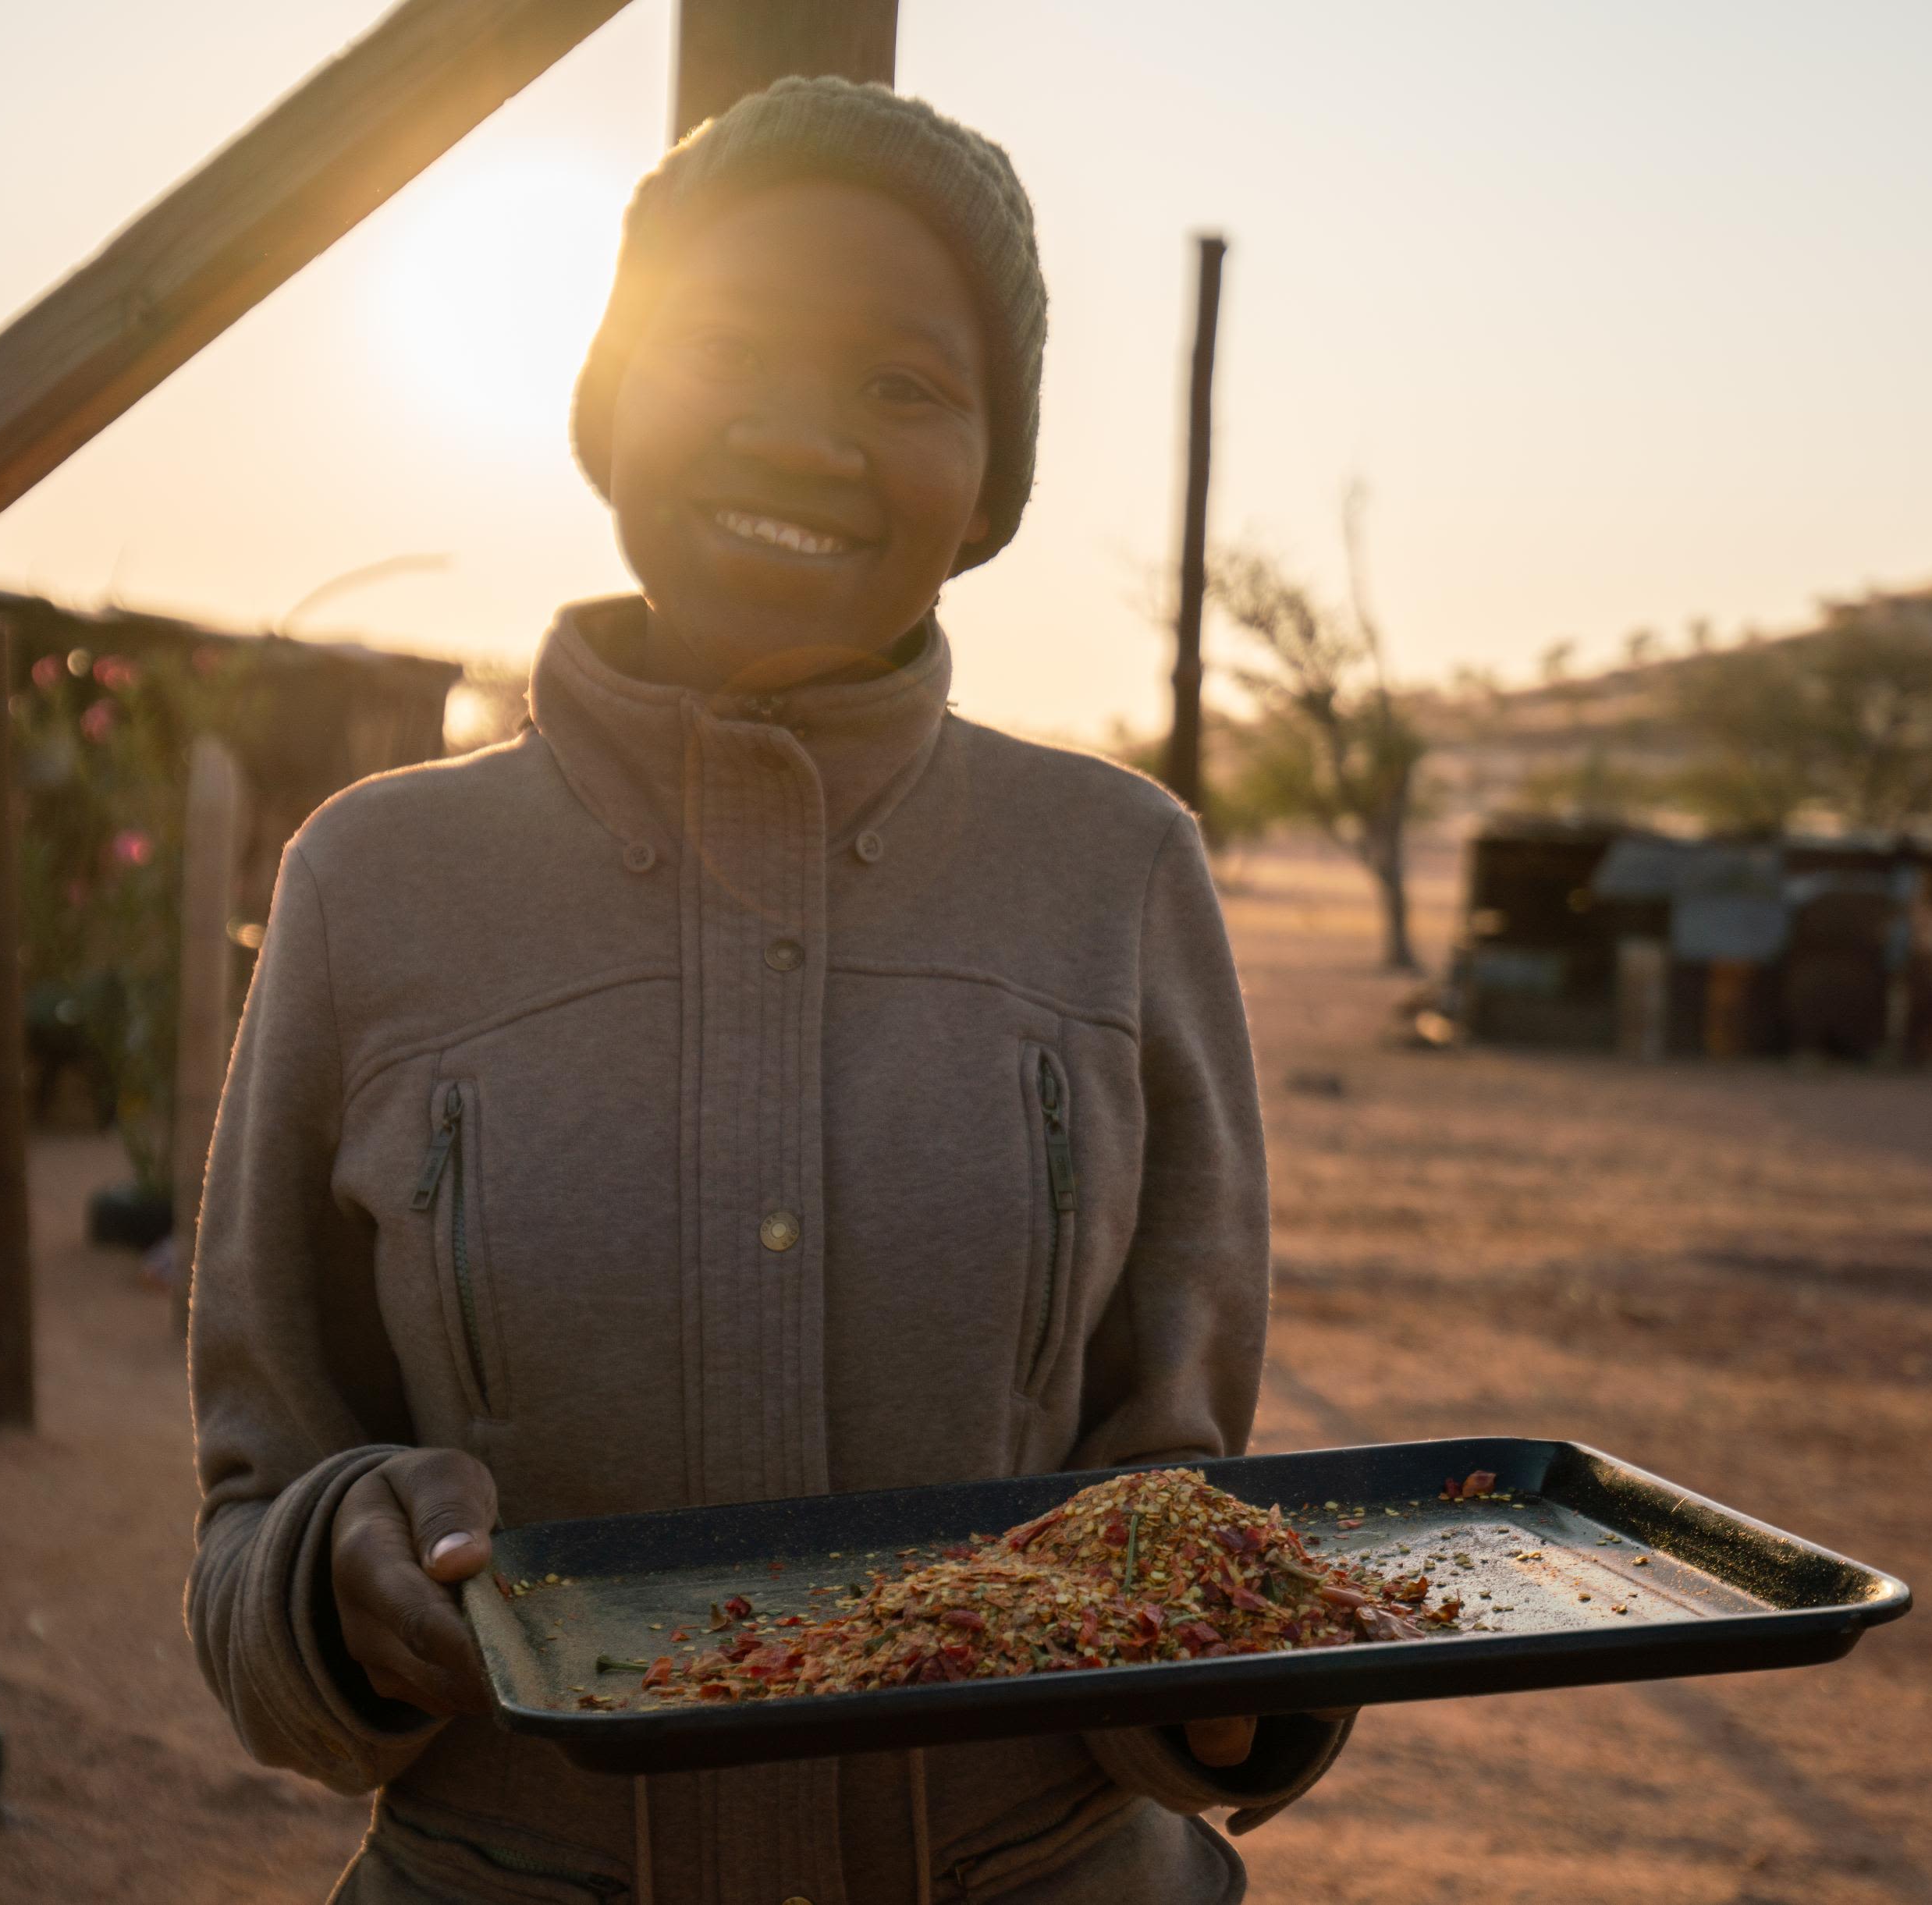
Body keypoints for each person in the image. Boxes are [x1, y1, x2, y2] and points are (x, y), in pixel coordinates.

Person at [187, 78, 1351, 1903]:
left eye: (904, 384)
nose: (805, 441)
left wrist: (1223, 1689)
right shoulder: (373, 880)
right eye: (720, 345)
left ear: (989, 473)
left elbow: (1173, 1507)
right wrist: (338, 1585)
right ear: (603, 401)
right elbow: (253, 1518)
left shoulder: (1114, 872)